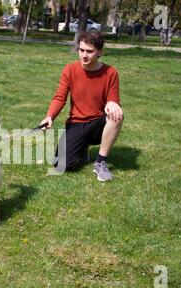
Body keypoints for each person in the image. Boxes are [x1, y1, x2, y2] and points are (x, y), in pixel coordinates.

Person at [40, 32, 123, 181]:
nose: (84, 55)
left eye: (89, 51)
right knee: (61, 165)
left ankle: (100, 162)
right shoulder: (70, 70)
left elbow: (113, 100)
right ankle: (82, 149)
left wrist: (112, 102)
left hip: (98, 124)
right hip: (76, 124)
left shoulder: (111, 73)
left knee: (117, 114)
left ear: (100, 52)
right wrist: (49, 116)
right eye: (81, 50)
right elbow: (60, 97)